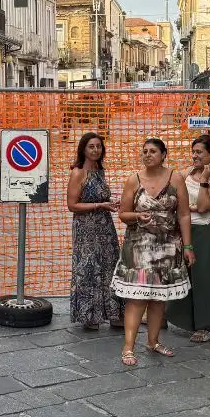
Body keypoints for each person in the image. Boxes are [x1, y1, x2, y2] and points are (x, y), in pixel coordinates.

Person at [111, 138, 194, 366]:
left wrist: (188, 246)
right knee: (137, 299)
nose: (148, 155)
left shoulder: (176, 178)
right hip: (138, 248)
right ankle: (128, 347)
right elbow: (123, 214)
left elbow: (184, 214)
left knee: (159, 299)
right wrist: (137, 216)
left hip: (168, 247)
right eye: (145, 151)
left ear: (164, 154)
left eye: (153, 151)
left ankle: (153, 341)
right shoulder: (133, 180)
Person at [167, 134, 210, 342]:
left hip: (205, 234)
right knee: (180, 275)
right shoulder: (186, 173)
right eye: (193, 151)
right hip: (183, 230)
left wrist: (203, 181)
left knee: (203, 278)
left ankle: (205, 325)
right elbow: (172, 198)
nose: (194, 156)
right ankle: (177, 317)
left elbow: (204, 207)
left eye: (199, 152)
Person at [65, 133, 122, 330]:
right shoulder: (78, 172)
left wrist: (111, 204)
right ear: (83, 149)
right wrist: (100, 205)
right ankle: (89, 316)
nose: (96, 150)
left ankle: (114, 313)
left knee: (110, 266)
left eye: (98, 146)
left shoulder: (99, 170)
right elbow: (72, 205)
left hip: (105, 226)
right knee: (89, 269)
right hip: (86, 228)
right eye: (91, 146)